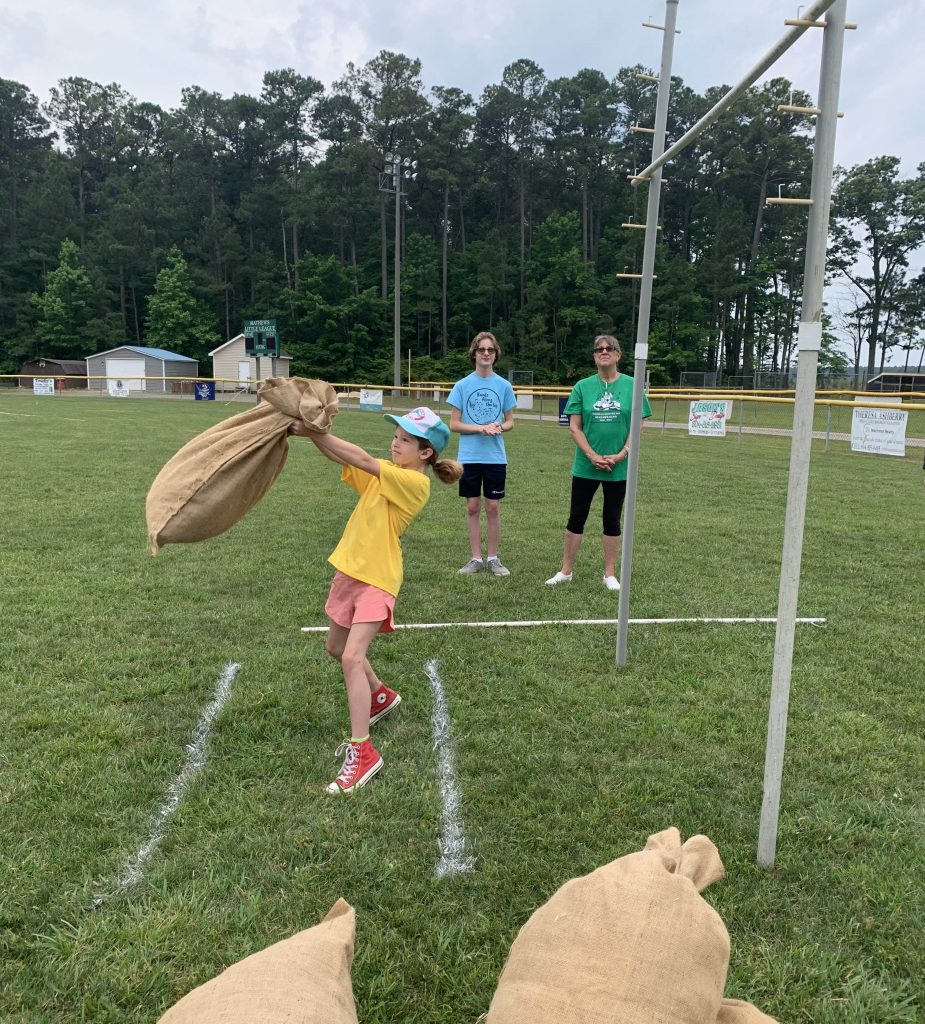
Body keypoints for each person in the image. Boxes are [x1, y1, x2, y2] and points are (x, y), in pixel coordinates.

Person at [289, 407, 462, 794]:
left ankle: (363, 752)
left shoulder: (413, 483)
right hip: (351, 570)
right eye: (396, 435)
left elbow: (362, 459)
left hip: (377, 578)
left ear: (426, 453)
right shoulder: (390, 472)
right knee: (335, 647)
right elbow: (345, 457)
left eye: (405, 439)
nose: (395, 442)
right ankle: (380, 695)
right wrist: (314, 435)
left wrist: (312, 430)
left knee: (352, 656)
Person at [545, 335, 651, 591]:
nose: (604, 352)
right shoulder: (582, 386)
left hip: (618, 466)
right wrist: (592, 455)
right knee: (576, 518)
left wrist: (622, 453)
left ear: (618, 354)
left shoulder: (633, 385)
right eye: (599, 349)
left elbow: (638, 425)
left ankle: (609, 574)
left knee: (612, 519)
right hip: (585, 466)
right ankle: (566, 571)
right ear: (594, 355)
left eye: (609, 348)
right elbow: (574, 427)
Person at [447, 331, 516, 576]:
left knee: (493, 507)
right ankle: (476, 559)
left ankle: (494, 559)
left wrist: (499, 427)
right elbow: (454, 424)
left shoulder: (504, 385)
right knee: (473, 506)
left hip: (495, 457)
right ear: (474, 354)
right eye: (481, 350)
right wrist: (480, 428)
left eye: (490, 350)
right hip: (469, 457)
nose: (486, 353)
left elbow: (510, 422)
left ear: (495, 355)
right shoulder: (462, 386)